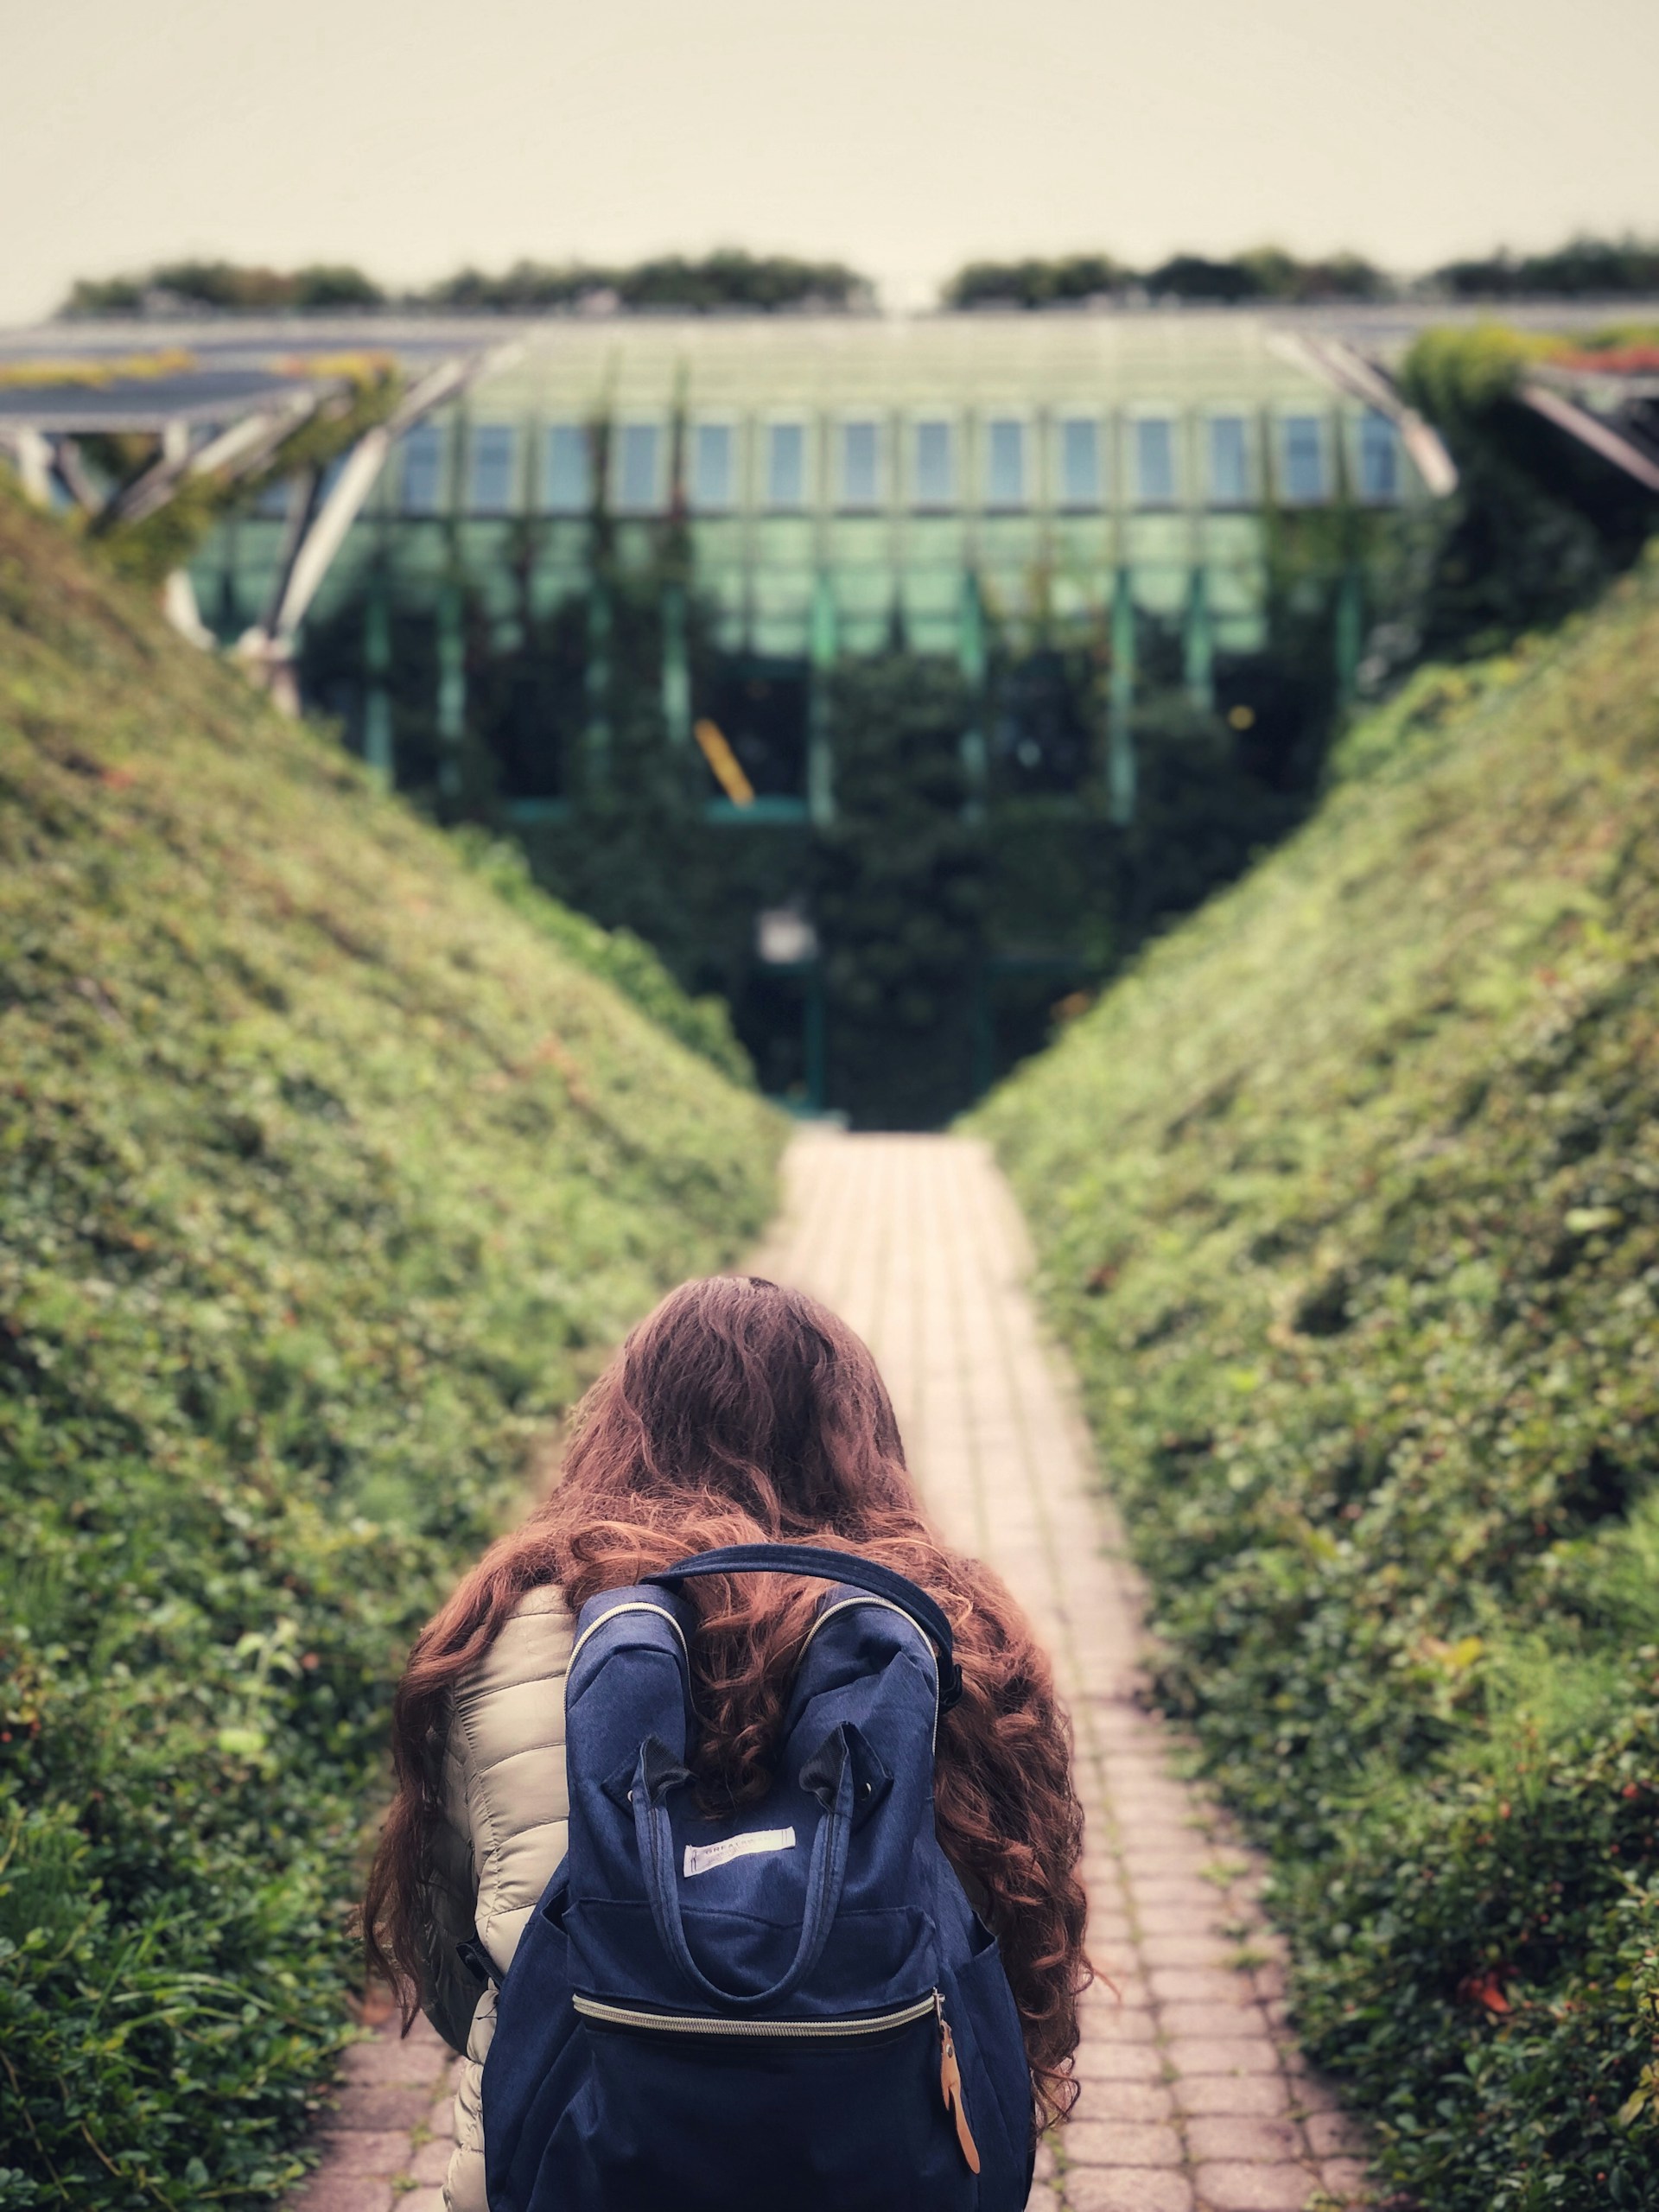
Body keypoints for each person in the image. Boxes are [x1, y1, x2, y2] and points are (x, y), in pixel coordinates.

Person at [364, 1274, 1090, 2211]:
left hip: (573, 2162)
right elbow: (1024, 1954)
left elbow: (459, 1955)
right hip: (887, 2164)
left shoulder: (507, 1635)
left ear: (624, 1423)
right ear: (859, 1437)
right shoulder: (945, 1636)